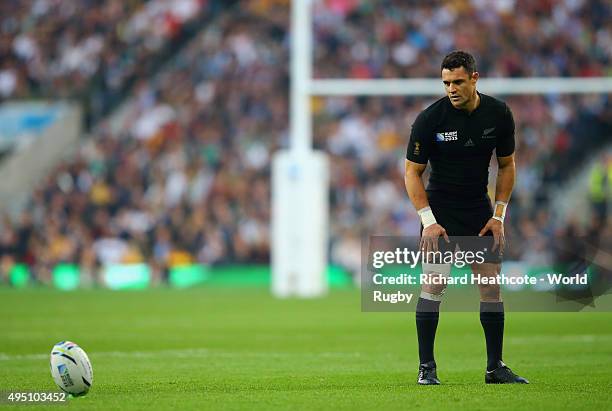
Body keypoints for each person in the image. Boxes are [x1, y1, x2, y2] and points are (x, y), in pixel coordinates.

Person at [404, 50, 529, 385]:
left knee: (491, 287)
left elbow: (506, 165)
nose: (451, 89)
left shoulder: (499, 114)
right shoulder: (430, 119)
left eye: (458, 81)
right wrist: (428, 220)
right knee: (434, 284)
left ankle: (495, 368)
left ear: (475, 78)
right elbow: (412, 173)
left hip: (478, 209)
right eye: (446, 82)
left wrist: (499, 215)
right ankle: (426, 368)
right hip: (440, 210)